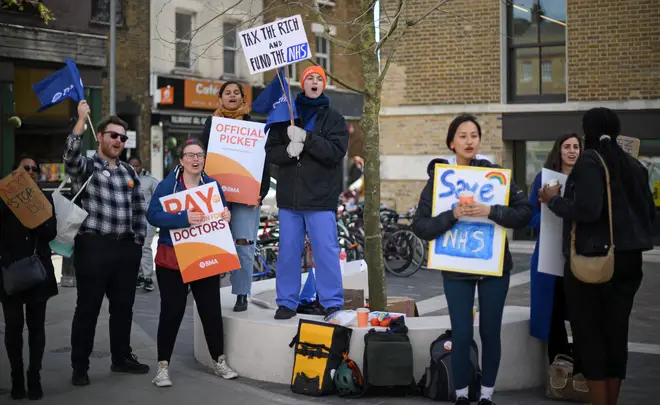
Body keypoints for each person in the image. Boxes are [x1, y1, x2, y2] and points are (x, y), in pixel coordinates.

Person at [411, 114, 532, 405]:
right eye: (462, 136)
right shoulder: (440, 181)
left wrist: (491, 211)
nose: (469, 141)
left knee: (491, 333)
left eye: (474, 135)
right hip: (456, 269)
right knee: (462, 334)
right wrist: (451, 215)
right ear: (451, 143)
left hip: (494, 268)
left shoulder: (495, 176)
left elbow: (525, 213)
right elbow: (420, 226)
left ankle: (487, 395)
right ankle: (463, 394)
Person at [538, 108, 655, 405]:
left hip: (593, 264)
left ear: (587, 131)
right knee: (616, 335)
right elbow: (649, 218)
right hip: (629, 263)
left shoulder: (590, 161)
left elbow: (587, 210)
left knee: (590, 338)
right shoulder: (634, 165)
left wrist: (554, 200)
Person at [64, 100, 149, 386]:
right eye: (113, 135)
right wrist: (80, 119)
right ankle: (80, 366)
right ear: (99, 136)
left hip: (125, 248)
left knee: (123, 308)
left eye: (123, 137)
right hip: (94, 246)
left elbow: (139, 210)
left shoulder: (128, 172)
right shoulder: (87, 167)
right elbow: (70, 155)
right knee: (87, 308)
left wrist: (137, 243)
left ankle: (121, 357)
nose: (118, 141)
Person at [146, 140, 238, 387]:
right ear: (181, 160)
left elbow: (222, 212)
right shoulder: (168, 185)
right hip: (173, 261)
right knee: (171, 313)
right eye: (190, 155)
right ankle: (163, 367)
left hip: (203, 257)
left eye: (199, 155)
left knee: (210, 311)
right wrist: (183, 217)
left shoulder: (212, 185)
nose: (195, 159)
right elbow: (152, 215)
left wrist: (226, 214)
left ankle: (219, 361)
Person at [265, 66, 348, 320]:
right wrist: (289, 151)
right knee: (288, 253)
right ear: (302, 84)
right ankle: (287, 302)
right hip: (290, 199)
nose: (314, 82)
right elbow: (272, 151)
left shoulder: (334, 118)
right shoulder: (285, 115)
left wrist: (307, 139)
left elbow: (336, 152)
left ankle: (332, 302)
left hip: (320, 200)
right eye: (309, 78)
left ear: (323, 85)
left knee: (326, 253)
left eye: (318, 79)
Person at [199, 81, 270, 312]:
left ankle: (241, 293)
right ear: (220, 99)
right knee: (212, 244)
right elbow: (200, 156)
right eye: (227, 93)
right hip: (216, 194)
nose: (232, 96)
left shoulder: (254, 128)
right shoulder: (211, 124)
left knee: (243, 243)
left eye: (236, 93)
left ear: (243, 99)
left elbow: (264, 161)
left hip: (246, 195)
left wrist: (262, 190)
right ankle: (208, 293)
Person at [0, 156, 57, 400]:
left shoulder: (44, 198)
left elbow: (51, 232)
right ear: (16, 172)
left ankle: (34, 375)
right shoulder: (3, 197)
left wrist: (33, 215)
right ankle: (16, 377)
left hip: (37, 271)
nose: (31, 172)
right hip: (10, 270)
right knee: (13, 326)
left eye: (35, 169)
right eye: (26, 168)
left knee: (36, 326)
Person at [528, 133, 582, 365]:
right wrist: (547, 219)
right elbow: (530, 216)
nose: (572, 151)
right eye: (567, 146)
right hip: (548, 256)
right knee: (553, 313)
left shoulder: (587, 179)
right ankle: (558, 367)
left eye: (576, 147)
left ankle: (582, 367)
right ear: (558, 151)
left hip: (580, 257)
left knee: (581, 313)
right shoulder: (544, 179)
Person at [128, 156, 160, 292]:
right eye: (131, 165)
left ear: (141, 165)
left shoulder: (150, 180)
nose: (134, 168)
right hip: (129, 220)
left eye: (137, 165)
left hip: (147, 221)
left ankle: (148, 277)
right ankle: (139, 276)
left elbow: (159, 198)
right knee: (134, 249)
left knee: (145, 248)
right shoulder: (123, 179)